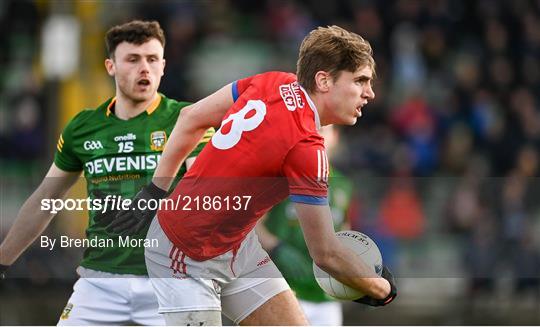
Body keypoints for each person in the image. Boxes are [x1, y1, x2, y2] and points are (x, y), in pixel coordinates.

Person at [109, 25, 397, 325]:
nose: (370, 93)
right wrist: (381, 288)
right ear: (323, 80)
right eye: (360, 80)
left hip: (237, 245)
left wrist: (156, 189)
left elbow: (190, 117)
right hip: (185, 252)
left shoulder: (273, 81)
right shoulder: (307, 148)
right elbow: (325, 253)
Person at [0, 20, 212, 325]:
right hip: (100, 282)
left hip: (171, 281)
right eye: (133, 59)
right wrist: (3, 259)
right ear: (111, 66)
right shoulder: (83, 127)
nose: (144, 69)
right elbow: (46, 198)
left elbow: (208, 192)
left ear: (164, 66)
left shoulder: (186, 120)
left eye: (152, 59)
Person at [256, 124, 354, 325]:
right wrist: (277, 248)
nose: (317, 138)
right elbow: (252, 226)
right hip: (285, 289)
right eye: (312, 132)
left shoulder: (343, 185)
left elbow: (344, 229)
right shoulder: (283, 178)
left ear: (334, 137)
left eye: (323, 131)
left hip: (326, 296)